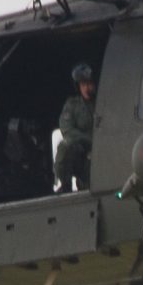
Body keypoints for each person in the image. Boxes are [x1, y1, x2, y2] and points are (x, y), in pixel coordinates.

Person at [54, 62, 96, 191]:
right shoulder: (73, 105)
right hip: (83, 153)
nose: (86, 88)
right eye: (83, 85)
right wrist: (89, 141)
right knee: (65, 146)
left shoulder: (103, 103)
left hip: (102, 152)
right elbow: (67, 129)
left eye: (89, 84)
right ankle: (65, 185)